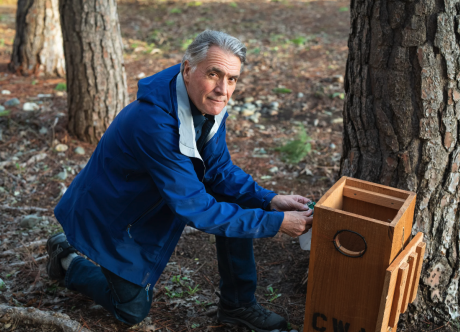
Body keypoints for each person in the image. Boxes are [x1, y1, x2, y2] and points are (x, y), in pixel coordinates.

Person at [46, 30, 313, 332]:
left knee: (236, 198)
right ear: (187, 69)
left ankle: (238, 305)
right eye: (214, 74)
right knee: (132, 309)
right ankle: (66, 259)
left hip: (152, 200)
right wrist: (276, 223)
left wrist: (270, 200)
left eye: (232, 79)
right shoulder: (154, 125)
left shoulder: (205, 101)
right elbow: (195, 208)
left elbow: (220, 171)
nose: (223, 89)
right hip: (111, 217)